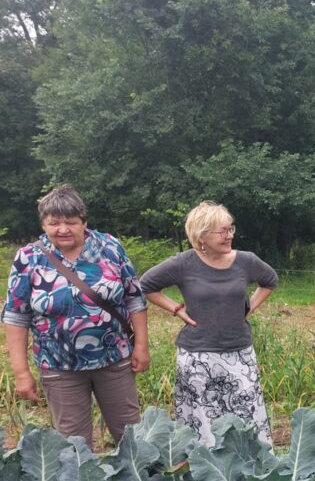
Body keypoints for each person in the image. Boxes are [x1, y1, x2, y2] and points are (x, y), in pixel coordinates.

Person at [3, 185, 150, 448]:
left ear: (84, 221)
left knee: (131, 436)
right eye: (54, 223)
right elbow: (16, 315)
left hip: (113, 359)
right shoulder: (29, 257)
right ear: (44, 224)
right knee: (73, 445)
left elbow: (134, 299)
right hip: (59, 366)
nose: (63, 229)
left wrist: (141, 346)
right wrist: (21, 372)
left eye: (71, 222)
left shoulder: (110, 247)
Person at [141, 201, 278, 445]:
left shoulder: (246, 261)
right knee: (202, 423)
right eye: (222, 231)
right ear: (201, 235)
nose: (229, 236)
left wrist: (248, 308)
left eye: (231, 229)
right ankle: (207, 475)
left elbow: (269, 280)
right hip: (197, 358)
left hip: (239, 355)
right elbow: (146, 286)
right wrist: (176, 309)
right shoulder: (183, 263)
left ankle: (250, 476)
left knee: (246, 419)